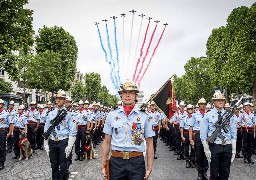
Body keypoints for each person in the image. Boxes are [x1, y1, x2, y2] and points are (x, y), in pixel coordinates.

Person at [101, 80, 154, 180]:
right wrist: (103, 163)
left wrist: (149, 166)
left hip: (136, 162)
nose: (127, 95)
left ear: (135, 95)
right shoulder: (112, 115)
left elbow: (150, 143)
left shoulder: (145, 116)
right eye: (124, 92)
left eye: (131, 92)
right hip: (116, 162)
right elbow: (106, 141)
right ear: (121, 95)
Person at [201, 92, 237, 180]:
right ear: (214, 102)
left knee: (225, 172)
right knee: (214, 173)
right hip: (215, 146)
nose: (221, 102)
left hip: (227, 145)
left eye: (222, 100)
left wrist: (233, 149)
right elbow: (203, 134)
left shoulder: (229, 115)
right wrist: (206, 149)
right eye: (218, 100)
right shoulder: (207, 116)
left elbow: (233, 133)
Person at [44, 90, 77, 180]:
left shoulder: (68, 115)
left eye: (61, 99)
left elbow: (73, 131)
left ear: (64, 101)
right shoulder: (50, 114)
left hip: (63, 141)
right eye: (57, 99)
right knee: (54, 165)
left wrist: (69, 145)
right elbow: (46, 129)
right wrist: (46, 144)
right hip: (52, 141)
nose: (58, 100)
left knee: (63, 166)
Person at [189, 98, 208, 180]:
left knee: (206, 155)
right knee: (199, 155)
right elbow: (191, 128)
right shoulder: (194, 115)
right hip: (197, 135)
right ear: (199, 105)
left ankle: (205, 172)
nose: (203, 105)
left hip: (207, 136)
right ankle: (200, 172)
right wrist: (191, 140)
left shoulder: (208, 114)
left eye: (204, 104)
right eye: (201, 104)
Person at [0, 99, 13, 170]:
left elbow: (11, 123)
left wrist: (10, 132)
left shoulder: (6, 113)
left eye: (0, 104)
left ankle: (1, 162)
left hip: (2, 131)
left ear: (3, 105)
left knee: (2, 147)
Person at [180, 104, 195, 168]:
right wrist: (182, 136)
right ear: (187, 110)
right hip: (186, 133)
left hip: (193, 134)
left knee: (193, 148)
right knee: (186, 148)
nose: (190, 110)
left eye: (191, 109)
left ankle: (192, 160)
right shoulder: (184, 118)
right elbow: (181, 127)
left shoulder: (195, 117)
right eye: (189, 109)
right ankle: (187, 161)